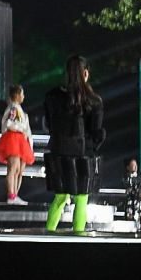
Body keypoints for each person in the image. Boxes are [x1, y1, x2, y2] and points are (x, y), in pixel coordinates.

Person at [43, 55, 105, 234]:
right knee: (81, 198)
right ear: (85, 73)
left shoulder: (52, 96)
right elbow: (96, 132)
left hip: (58, 152)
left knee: (60, 197)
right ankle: (79, 237)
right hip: (82, 154)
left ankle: (48, 235)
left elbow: (49, 123)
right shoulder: (93, 100)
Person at [0, 84, 35, 205]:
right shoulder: (13, 108)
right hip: (13, 139)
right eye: (22, 94)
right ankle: (11, 195)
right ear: (17, 95)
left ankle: (14, 194)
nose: (23, 96)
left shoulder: (19, 110)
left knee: (18, 169)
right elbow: (9, 123)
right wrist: (20, 128)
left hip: (20, 140)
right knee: (13, 168)